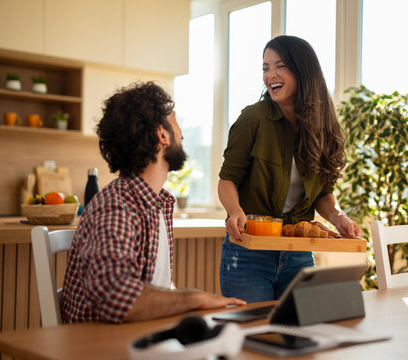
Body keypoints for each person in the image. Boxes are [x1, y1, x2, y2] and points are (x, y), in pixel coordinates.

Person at [61, 82, 245, 323]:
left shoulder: (158, 203)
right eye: (176, 122)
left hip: (142, 337)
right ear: (162, 134)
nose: (182, 132)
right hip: (104, 347)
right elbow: (114, 297)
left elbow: (154, 287)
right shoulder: (118, 206)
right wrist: (195, 299)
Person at [218, 35, 363, 303]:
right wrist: (236, 211)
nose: (270, 74)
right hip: (250, 252)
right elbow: (227, 180)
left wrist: (339, 218)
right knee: (255, 335)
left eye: (279, 66)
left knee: (302, 331)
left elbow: (323, 193)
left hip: (298, 253)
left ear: (302, 71)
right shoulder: (253, 118)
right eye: (265, 68)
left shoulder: (324, 128)